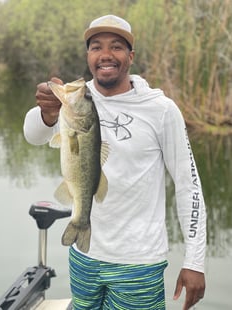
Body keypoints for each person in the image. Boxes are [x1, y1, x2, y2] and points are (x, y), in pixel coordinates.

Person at [23, 15, 206, 310]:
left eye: (117, 47)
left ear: (130, 57)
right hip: (84, 256)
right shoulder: (74, 101)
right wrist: (47, 113)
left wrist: (195, 261)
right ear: (88, 56)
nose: (106, 55)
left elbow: (189, 186)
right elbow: (33, 136)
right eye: (96, 47)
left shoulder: (160, 109)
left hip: (138, 263)